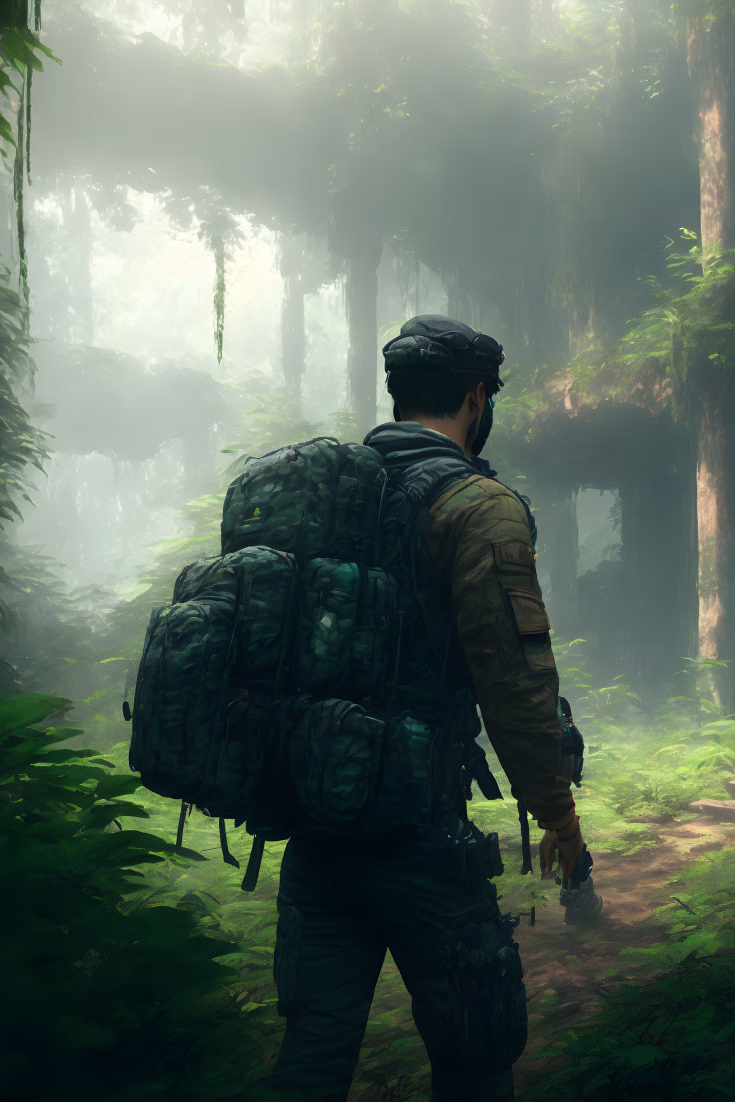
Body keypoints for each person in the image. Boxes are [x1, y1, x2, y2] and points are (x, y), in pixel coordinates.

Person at [266, 315, 585, 1102]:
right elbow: (513, 681)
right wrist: (556, 813)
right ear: (477, 397)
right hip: (421, 840)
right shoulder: (479, 507)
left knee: (310, 1061)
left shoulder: (332, 498)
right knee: (474, 1062)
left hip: (316, 831)